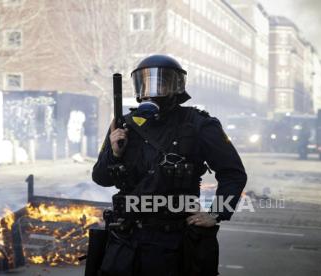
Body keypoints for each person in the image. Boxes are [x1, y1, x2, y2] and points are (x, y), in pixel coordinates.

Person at [92, 55, 247, 276]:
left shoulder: (200, 125)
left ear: (176, 87)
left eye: (160, 83)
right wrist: (115, 153)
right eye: (145, 83)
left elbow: (233, 174)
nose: (151, 90)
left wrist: (216, 213)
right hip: (125, 242)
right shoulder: (123, 125)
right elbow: (101, 178)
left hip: (172, 245)